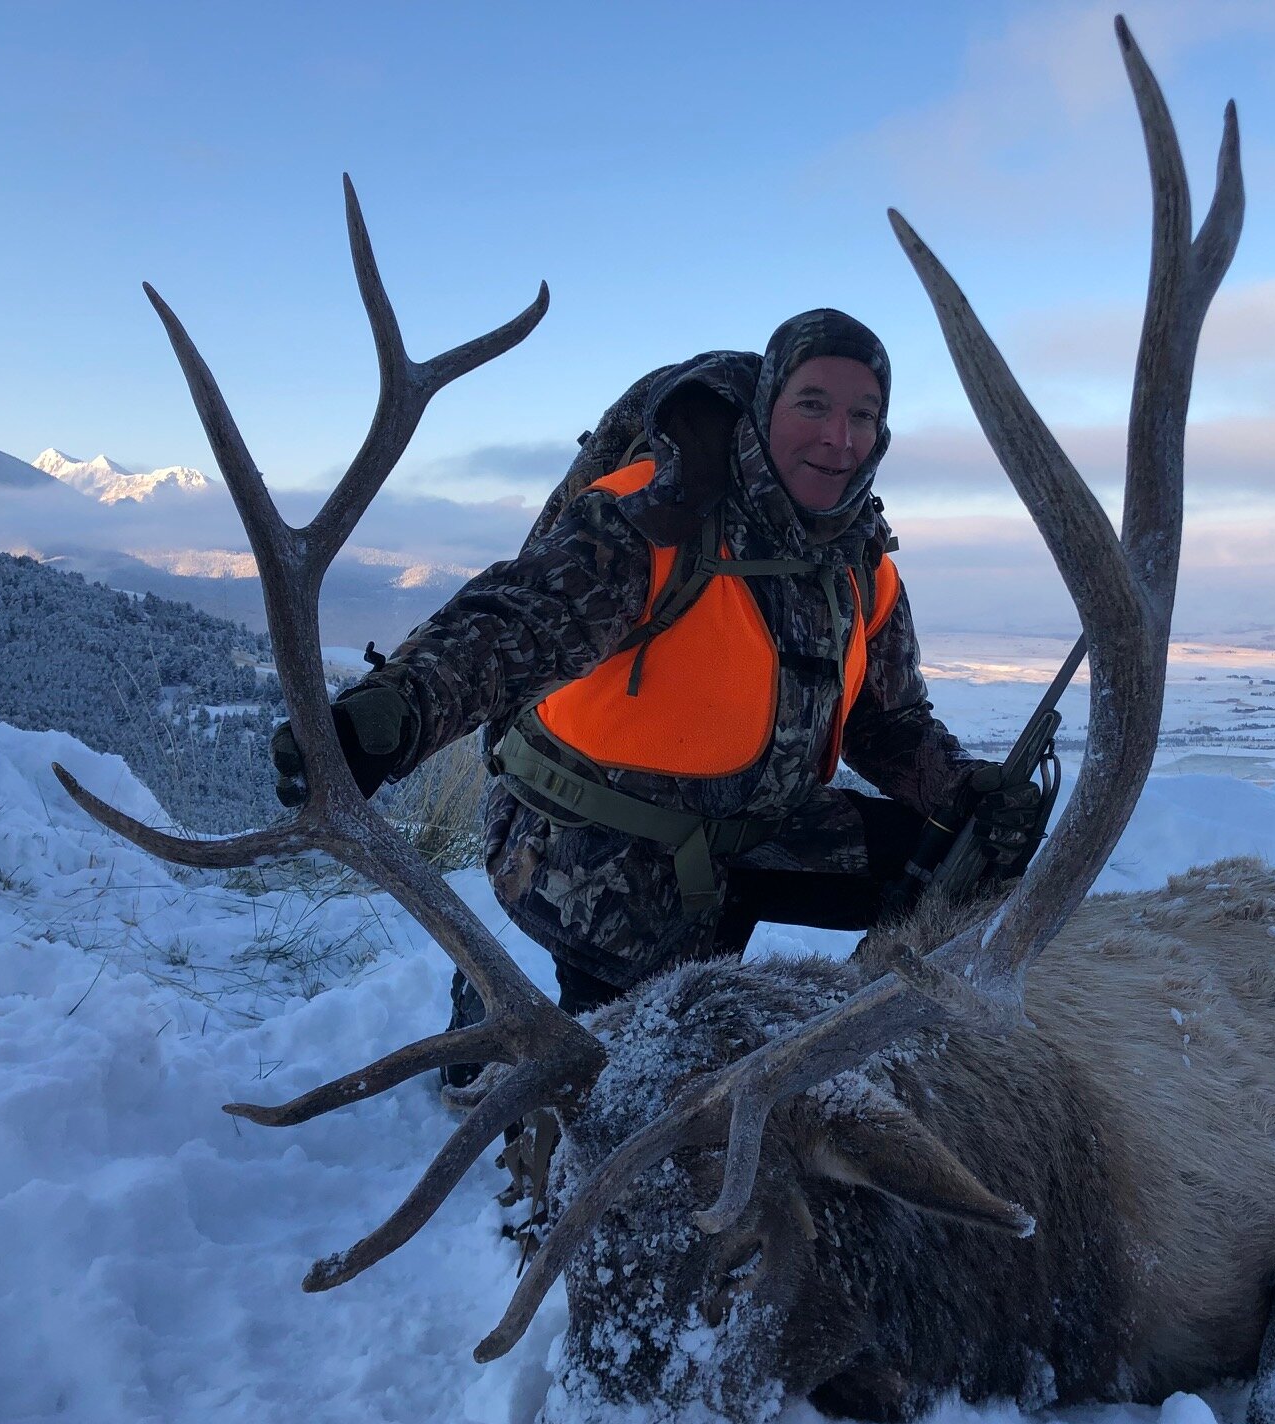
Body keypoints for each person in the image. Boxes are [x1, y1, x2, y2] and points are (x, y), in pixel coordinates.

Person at [272, 309, 1042, 1024]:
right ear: (767, 402)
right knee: (629, 1079)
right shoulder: (657, 513)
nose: (839, 437)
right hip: (591, 842)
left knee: (952, 863)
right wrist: (392, 714)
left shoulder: (858, 556)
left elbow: (890, 722)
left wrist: (963, 788)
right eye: (813, 404)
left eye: (863, 414)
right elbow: (516, 624)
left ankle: (874, 1040)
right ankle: (490, 1021)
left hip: (751, 832)